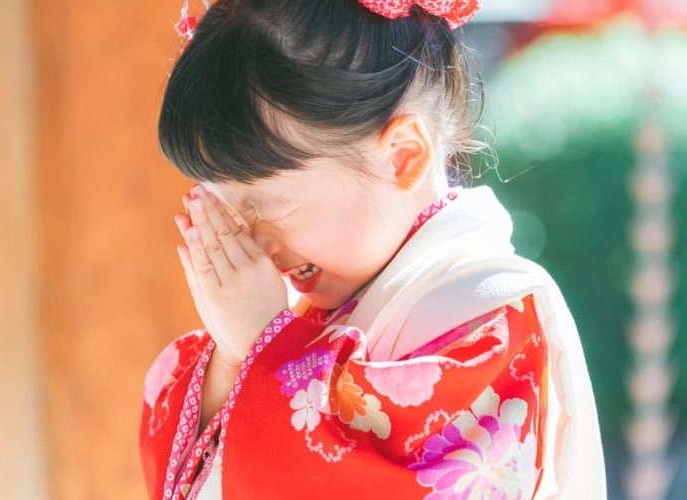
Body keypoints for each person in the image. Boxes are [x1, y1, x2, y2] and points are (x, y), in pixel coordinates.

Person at [140, 1, 606, 498]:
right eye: (227, 211)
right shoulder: (314, 311)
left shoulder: (487, 316)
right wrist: (237, 357)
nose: (251, 244)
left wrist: (269, 353)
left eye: (265, 206)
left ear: (401, 157)